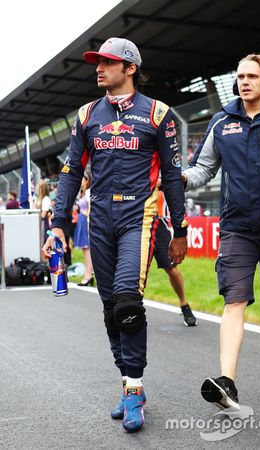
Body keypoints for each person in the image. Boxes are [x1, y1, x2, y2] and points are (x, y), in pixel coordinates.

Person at [42, 37, 187, 432]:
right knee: (110, 310)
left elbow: (173, 178)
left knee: (127, 301)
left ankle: (136, 387)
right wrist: (58, 223)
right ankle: (128, 383)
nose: (98, 68)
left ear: (130, 68)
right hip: (99, 213)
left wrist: (181, 229)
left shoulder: (160, 114)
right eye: (97, 62)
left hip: (139, 213)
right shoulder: (87, 114)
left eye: (107, 62)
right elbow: (72, 172)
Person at [182, 54, 260, 410]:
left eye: (251, 76)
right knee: (234, 301)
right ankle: (227, 382)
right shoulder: (222, 121)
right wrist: (182, 178)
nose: (243, 82)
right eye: (239, 77)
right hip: (236, 226)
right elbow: (203, 168)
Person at [154, 188, 196, 326]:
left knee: (171, 268)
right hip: (134, 219)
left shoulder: (158, 168)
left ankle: (184, 304)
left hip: (158, 222)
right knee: (133, 267)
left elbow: (164, 181)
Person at [74, 172, 94, 286]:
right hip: (81, 221)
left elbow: (91, 209)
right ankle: (88, 274)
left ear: (87, 180)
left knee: (87, 251)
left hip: (85, 221)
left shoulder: (88, 192)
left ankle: (88, 276)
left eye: (82, 179)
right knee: (85, 251)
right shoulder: (83, 193)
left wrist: (83, 213)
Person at [36, 179, 51, 244]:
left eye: (38, 186)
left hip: (43, 223)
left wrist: (34, 207)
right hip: (40, 222)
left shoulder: (46, 199)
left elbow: (43, 215)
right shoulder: (40, 198)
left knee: (43, 242)